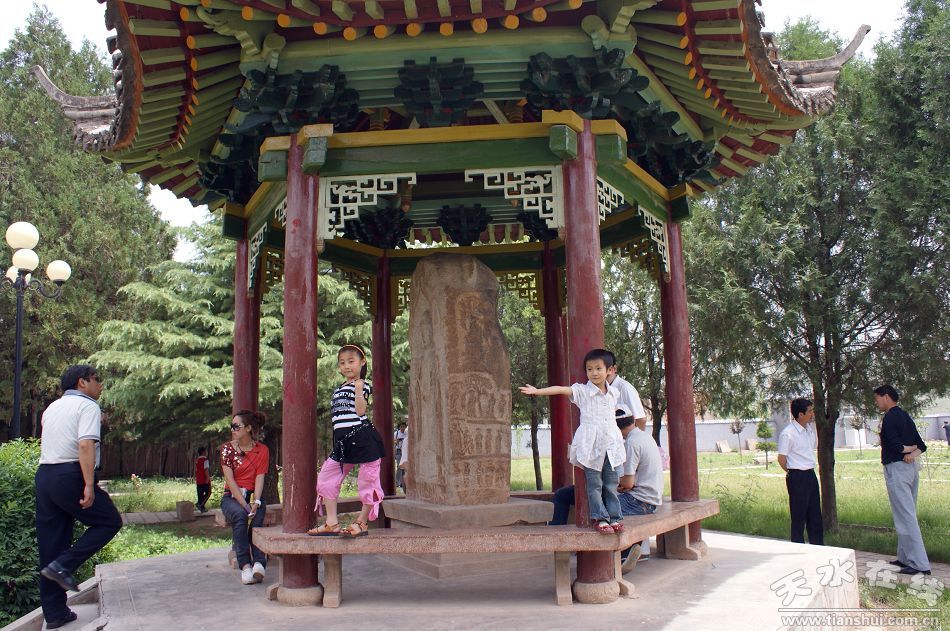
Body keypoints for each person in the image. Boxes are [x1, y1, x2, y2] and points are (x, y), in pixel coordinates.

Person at [35, 365, 122, 629]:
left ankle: (55, 614)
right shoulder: (87, 406)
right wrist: (88, 484)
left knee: (51, 543)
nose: (100, 385)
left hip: (45, 476)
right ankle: (63, 565)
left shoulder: (52, 408)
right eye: (97, 379)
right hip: (69, 475)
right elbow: (85, 445)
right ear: (82, 382)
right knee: (109, 521)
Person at [521, 348, 625, 534]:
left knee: (611, 484)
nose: (594, 373)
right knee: (594, 485)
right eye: (589, 369)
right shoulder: (583, 391)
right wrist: (537, 391)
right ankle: (600, 518)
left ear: (609, 370)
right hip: (590, 447)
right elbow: (561, 389)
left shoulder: (614, 393)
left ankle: (615, 517)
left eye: (598, 368)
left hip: (611, 446)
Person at [309, 344, 385, 537]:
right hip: (344, 443)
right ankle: (331, 522)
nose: (347, 366)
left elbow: (360, 411)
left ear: (362, 362)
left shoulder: (362, 385)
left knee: (368, 481)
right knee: (326, 477)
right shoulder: (339, 389)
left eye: (351, 361)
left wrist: (358, 389)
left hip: (363, 437)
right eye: (342, 363)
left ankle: (361, 522)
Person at [874, 385, 931, 575]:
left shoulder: (889, 417)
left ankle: (920, 564)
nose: (876, 402)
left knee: (905, 516)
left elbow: (895, 446)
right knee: (906, 512)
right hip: (911, 470)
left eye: (877, 398)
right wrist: (912, 453)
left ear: (886, 397)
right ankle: (905, 557)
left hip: (896, 470)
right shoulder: (905, 415)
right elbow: (922, 446)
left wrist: (908, 450)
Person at [220, 410, 270, 585]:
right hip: (232, 497)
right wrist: (245, 505)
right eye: (231, 426)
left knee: (257, 521)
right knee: (240, 515)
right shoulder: (227, 449)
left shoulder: (262, 450)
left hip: (254, 496)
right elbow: (230, 480)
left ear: (248, 428)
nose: (232, 429)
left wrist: (256, 501)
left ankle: (259, 563)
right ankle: (246, 565)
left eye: (236, 426)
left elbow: (260, 477)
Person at [777, 398, 824, 546]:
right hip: (797, 476)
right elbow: (781, 459)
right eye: (809, 411)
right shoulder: (788, 433)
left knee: (815, 515)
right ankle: (798, 547)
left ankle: (818, 546)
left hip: (810, 474)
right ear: (800, 414)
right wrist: (793, 471)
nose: (812, 414)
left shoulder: (809, 430)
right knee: (799, 516)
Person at [195, 446, 211, 513]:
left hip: (198, 480)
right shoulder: (205, 460)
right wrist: (207, 478)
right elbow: (206, 470)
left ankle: (201, 507)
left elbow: (196, 470)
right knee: (208, 493)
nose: (207, 452)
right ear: (204, 452)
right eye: (206, 451)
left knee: (200, 494)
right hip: (204, 480)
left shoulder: (197, 460)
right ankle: (199, 504)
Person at [394, 421, 408, 490]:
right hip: (399, 451)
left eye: (404, 426)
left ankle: (403, 483)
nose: (402, 428)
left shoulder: (406, 433)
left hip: (405, 451)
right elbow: (393, 442)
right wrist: (397, 441)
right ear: (399, 427)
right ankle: (397, 482)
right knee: (399, 466)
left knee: (405, 468)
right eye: (401, 426)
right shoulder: (396, 433)